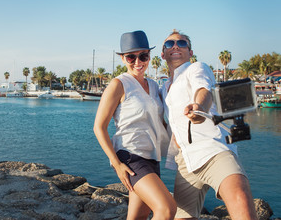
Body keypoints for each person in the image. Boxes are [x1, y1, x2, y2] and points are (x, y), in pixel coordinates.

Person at [160, 29, 258, 220]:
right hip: (185, 161)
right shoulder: (164, 87)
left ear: (190, 52)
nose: (176, 47)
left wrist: (199, 108)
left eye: (181, 43)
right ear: (163, 54)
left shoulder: (196, 68)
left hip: (212, 150)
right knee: (183, 216)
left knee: (240, 198)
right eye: (169, 44)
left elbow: (203, 89)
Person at [94, 30, 176, 220]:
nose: (138, 62)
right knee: (166, 209)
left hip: (152, 158)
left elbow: (162, 121)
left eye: (143, 56)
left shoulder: (154, 86)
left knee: (138, 216)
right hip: (131, 158)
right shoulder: (118, 84)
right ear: (123, 59)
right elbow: (99, 127)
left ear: (149, 56)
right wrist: (117, 164)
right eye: (131, 57)